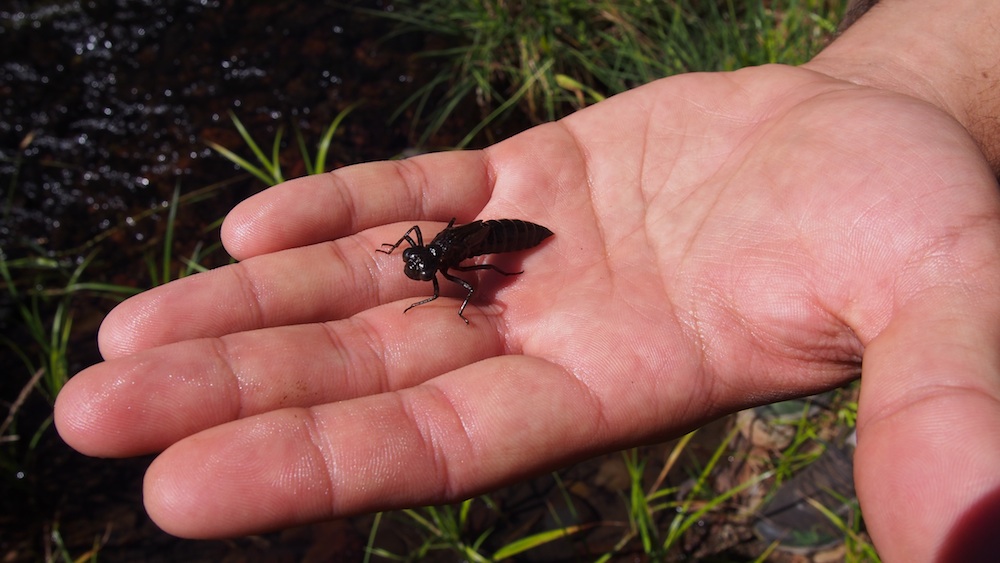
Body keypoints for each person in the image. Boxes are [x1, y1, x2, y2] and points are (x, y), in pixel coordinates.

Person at [54, 0, 1000, 560]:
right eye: (418, 263)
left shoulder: (454, 259)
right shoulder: (443, 256)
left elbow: (475, 266)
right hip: (499, 237)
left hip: (509, 236)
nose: (417, 265)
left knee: (481, 257)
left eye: (418, 261)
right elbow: (458, 265)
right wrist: (901, 74)